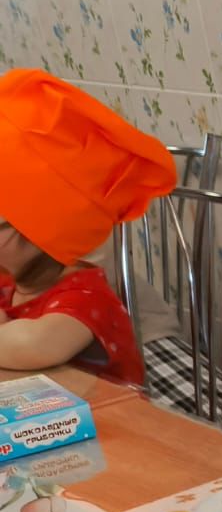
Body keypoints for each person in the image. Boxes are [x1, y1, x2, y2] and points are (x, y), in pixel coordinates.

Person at [0, 68, 175, 383]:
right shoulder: (12, 282)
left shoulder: (86, 296)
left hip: (115, 415)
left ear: (39, 233)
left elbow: (35, 345)